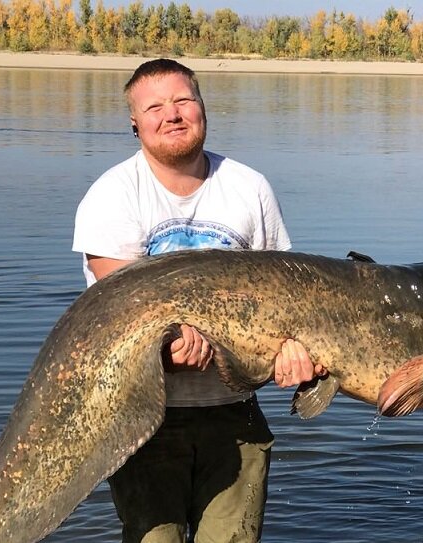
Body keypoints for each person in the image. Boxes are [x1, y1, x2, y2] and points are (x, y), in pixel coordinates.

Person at [73, 58, 323, 543]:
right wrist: (168, 351)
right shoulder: (113, 195)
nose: (172, 114)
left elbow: (292, 298)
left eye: (183, 100)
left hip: (235, 413)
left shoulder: (249, 188)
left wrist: (293, 354)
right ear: (135, 122)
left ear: (203, 107)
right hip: (143, 417)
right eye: (155, 107)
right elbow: (123, 312)